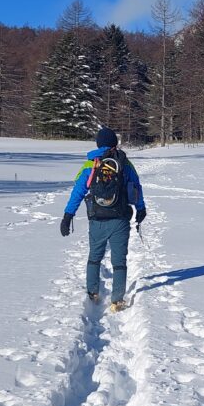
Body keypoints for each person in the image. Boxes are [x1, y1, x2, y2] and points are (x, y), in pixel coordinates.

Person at [59, 127, 146, 311]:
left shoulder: (90, 164)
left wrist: (68, 215)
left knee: (94, 257)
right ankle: (117, 300)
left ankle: (93, 293)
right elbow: (136, 187)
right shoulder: (124, 163)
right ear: (115, 143)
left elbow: (78, 191)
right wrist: (140, 209)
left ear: (98, 144)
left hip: (97, 219)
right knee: (119, 261)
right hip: (120, 219)